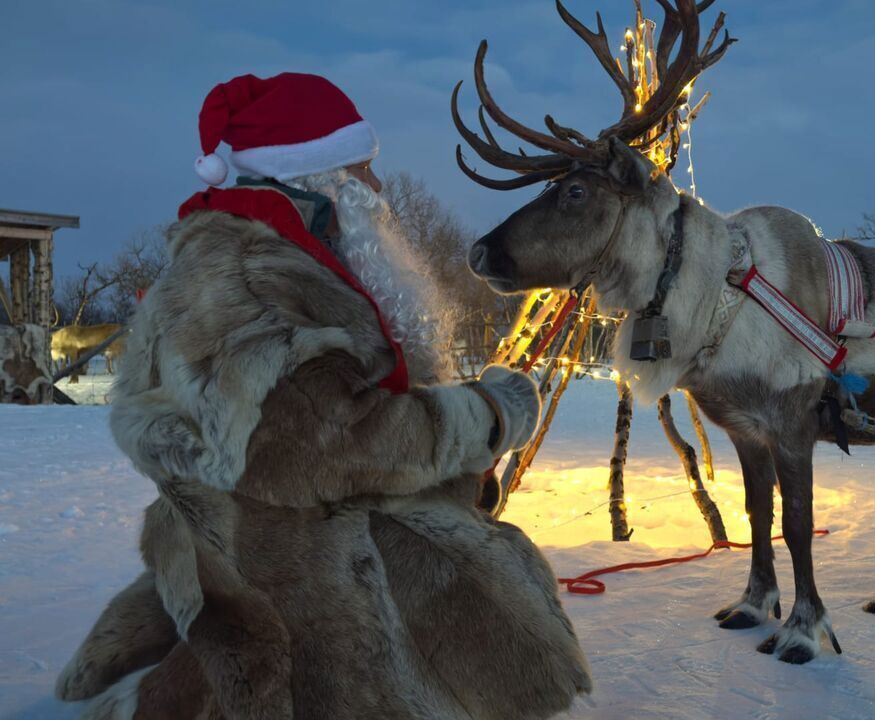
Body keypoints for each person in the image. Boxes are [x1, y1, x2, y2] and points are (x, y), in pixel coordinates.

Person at [55, 72, 591, 719]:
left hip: (262, 531)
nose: (378, 188)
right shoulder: (252, 277)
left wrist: (452, 466)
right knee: (460, 597)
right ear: (319, 178)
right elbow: (322, 446)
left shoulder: (279, 257)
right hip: (293, 557)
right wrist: (487, 416)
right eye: (363, 170)